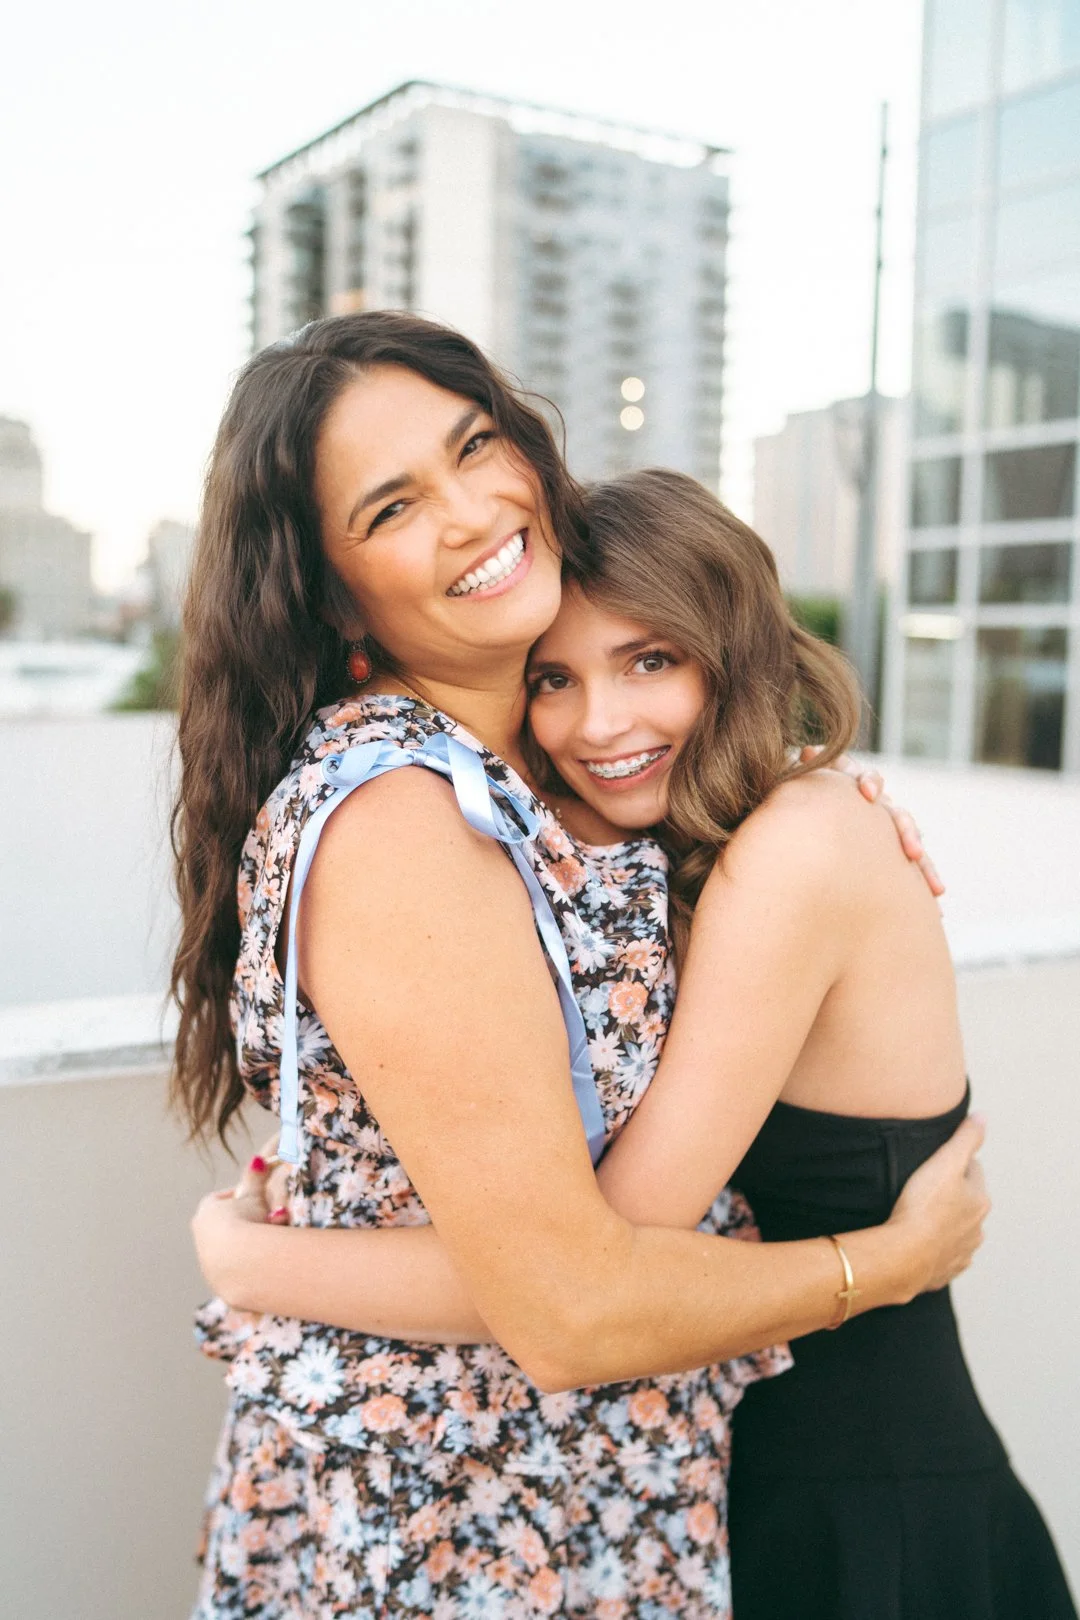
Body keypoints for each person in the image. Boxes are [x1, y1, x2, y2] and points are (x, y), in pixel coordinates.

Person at [179, 311, 987, 1619]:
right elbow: (569, 1296)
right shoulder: (404, 816)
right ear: (330, 589)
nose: (467, 511)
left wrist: (796, 797)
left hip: (603, 1492)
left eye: (473, 446)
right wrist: (883, 1264)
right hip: (460, 1511)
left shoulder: (541, 794)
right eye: (392, 506)